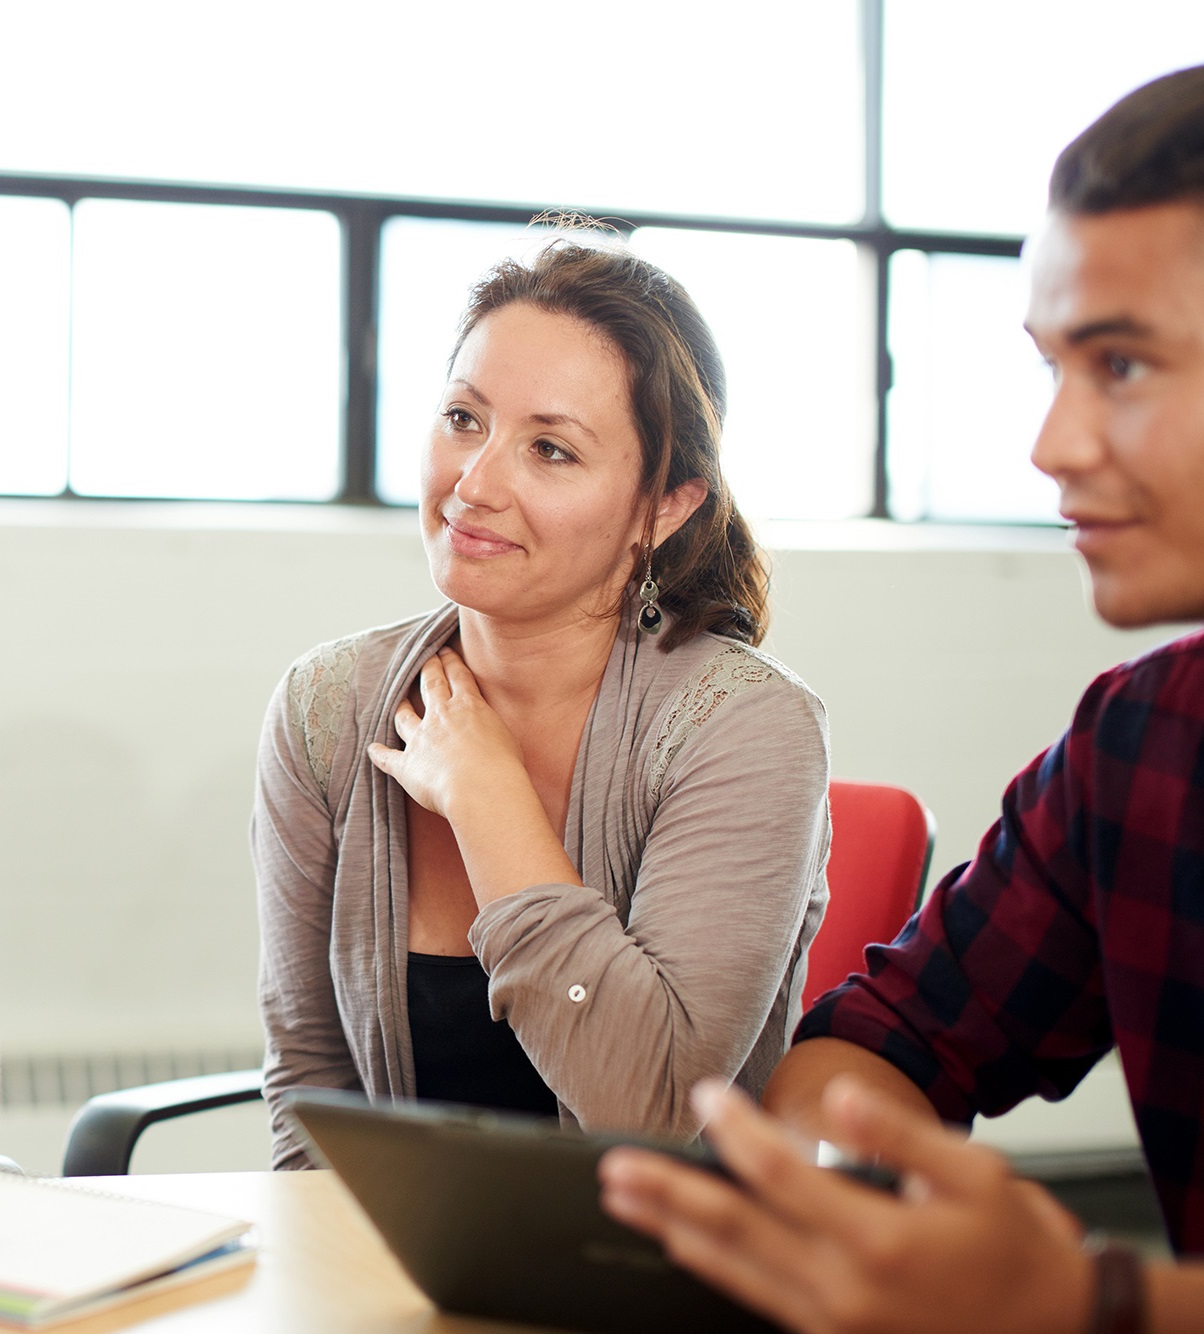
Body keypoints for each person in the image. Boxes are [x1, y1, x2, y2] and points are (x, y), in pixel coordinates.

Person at [600, 65, 1204, 1333]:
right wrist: (829, 1191)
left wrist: (1101, 1303)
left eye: (1123, 366)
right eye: (1051, 367)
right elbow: (886, 1038)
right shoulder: (1136, 746)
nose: (1051, 445)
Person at [254, 240, 832, 1169]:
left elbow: (644, 1107)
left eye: (550, 449)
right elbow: (311, 1084)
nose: (474, 486)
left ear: (665, 506)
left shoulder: (744, 728)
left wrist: (487, 801)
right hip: (399, 1287)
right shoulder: (328, 708)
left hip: (656, 1284)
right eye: (462, 418)